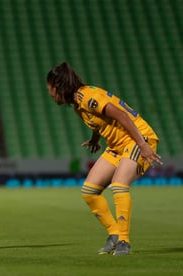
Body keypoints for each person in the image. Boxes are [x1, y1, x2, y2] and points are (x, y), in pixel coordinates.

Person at [46, 62, 162, 256]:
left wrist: (143, 144)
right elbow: (99, 121)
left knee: (119, 184)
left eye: (49, 88)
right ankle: (114, 234)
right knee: (89, 191)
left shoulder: (87, 97)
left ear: (57, 87)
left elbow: (121, 115)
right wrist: (95, 138)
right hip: (118, 146)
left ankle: (124, 241)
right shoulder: (79, 103)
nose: (49, 93)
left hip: (138, 139)